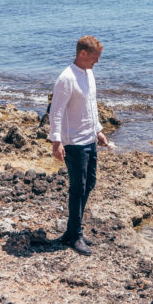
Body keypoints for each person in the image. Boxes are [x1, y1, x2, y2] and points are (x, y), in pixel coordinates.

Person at [48, 35, 109, 256]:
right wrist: (57, 142)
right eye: (95, 57)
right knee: (78, 187)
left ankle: (73, 230)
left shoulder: (89, 74)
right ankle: (74, 235)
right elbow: (56, 112)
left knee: (89, 183)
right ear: (82, 54)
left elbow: (91, 106)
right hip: (73, 141)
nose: (97, 61)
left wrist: (99, 131)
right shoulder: (66, 78)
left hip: (89, 139)